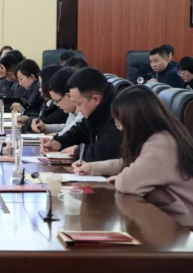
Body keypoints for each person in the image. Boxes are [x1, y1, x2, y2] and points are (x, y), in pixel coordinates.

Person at [72, 86, 193, 227]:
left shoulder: (161, 144)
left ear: (134, 120)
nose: (119, 127)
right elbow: (131, 162)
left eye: (120, 122)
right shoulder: (162, 135)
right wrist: (92, 167)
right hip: (168, 220)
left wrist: (121, 178)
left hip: (183, 225)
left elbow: (127, 184)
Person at [41, 67, 122, 162]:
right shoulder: (97, 111)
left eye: (79, 104)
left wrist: (78, 151)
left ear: (95, 99)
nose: (77, 109)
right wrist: (59, 142)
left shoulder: (118, 114)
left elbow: (106, 152)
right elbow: (81, 130)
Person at [32, 67, 83, 135]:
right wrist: (46, 128)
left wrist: (58, 137)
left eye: (56, 100)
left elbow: (73, 131)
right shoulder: (73, 110)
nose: (56, 104)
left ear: (69, 96)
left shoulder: (83, 111)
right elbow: (68, 127)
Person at [26, 65, 68, 131]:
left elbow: (46, 121)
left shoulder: (62, 104)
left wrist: (26, 119)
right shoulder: (47, 101)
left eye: (41, 85)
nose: (39, 89)